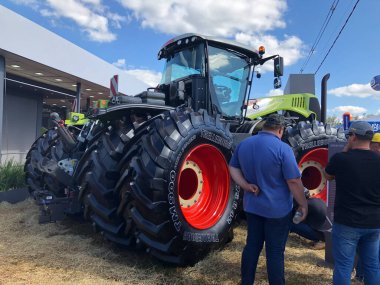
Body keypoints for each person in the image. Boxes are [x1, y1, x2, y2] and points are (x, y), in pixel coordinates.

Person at [229, 114, 308, 285]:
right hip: (277, 211)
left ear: (264, 126)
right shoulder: (283, 149)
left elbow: (232, 167)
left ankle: (246, 282)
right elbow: (293, 181)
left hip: (252, 207)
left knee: (252, 247)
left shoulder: (244, 144)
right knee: (274, 252)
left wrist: (245, 185)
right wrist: (303, 204)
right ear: (280, 130)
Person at [324, 121, 380, 285]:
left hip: (347, 222)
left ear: (353, 136)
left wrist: (346, 149)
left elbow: (328, 176)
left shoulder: (341, 158)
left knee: (343, 266)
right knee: (373, 265)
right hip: (375, 222)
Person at [355, 132, 380, 282]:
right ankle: (361, 274)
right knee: (370, 251)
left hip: (365, 216)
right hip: (372, 216)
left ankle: (361, 275)